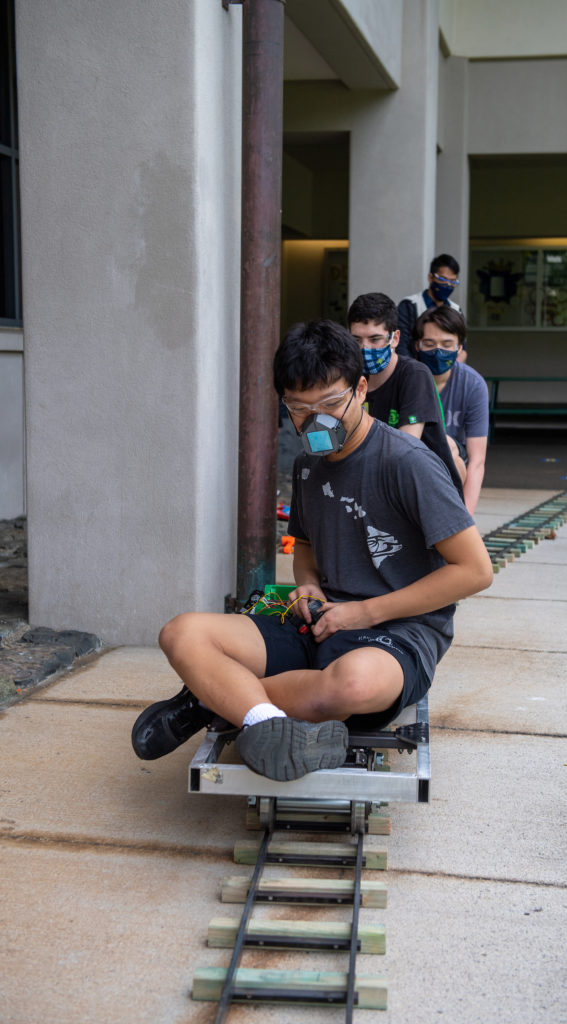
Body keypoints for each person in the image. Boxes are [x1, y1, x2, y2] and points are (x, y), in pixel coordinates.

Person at [131, 320, 493, 781]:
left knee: (355, 684)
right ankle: (261, 718)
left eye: (330, 404)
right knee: (182, 634)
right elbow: (304, 545)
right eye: (299, 408)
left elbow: (475, 571)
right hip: (320, 621)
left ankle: (214, 699)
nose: (316, 420)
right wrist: (307, 585)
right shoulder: (308, 465)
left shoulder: (407, 462)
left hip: (400, 632)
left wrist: (363, 614)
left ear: (361, 389)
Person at [347, 291, 463, 498]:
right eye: (356, 340)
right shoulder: (349, 377)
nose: (365, 348)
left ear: (395, 338)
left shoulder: (414, 375)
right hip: (374, 488)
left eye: (375, 339)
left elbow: (404, 448)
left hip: (427, 494)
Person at [414, 306, 488, 515]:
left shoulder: (473, 384)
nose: (438, 351)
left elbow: (477, 461)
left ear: (460, 347)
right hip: (411, 462)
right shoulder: (407, 379)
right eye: (429, 344)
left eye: (447, 345)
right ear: (416, 345)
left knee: (447, 446)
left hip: (453, 467)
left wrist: (467, 519)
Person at [397, 253, 466, 360]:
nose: (448, 285)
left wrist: (451, 370)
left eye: (452, 281)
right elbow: (401, 346)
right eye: (442, 279)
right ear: (430, 277)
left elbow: (463, 349)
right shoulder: (410, 305)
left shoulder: (456, 310)